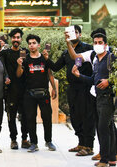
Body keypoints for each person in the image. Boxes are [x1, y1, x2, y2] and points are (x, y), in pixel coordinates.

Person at [44, 25, 96, 156]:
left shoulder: (88, 49)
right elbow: (56, 67)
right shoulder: (67, 51)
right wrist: (46, 59)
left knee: (87, 116)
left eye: (75, 32)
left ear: (80, 34)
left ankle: (89, 146)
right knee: (75, 116)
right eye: (69, 33)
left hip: (86, 88)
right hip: (72, 88)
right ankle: (81, 143)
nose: (72, 35)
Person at [70, 29, 116, 167]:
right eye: (95, 42)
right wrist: (77, 72)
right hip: (97, 96)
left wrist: (109, 81)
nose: (97, 44)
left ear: (106, 44)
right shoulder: (94, 57)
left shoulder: (111, 57)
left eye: (100, 42)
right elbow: (78, 58)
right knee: (106, 128)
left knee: (104, 128)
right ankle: (111, 157)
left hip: (108, 97)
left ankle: (105, 159)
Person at [16, 34, 57, 152]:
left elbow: (50, 73)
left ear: (38, 45)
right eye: (29, 43)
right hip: (29, 94)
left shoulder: (44, 58)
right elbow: (18, 75)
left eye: (34, 43)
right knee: (30, 118)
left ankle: (48, 141)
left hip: (43, 93)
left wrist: (54, 88)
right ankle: (33, 142)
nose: (31, 45)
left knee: (47, 117)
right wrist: (19, 65)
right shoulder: (25, 59)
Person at [0, 28, 30, 149]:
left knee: (25, 116)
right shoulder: (5, 53)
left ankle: (24, 139)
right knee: (11, 117)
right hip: (11, 90)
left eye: (18, 37)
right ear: (11, 39)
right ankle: (13, 139)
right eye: (14, 37)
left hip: (25, 90)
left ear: (21, 39)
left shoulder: (26, 52)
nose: (16, 39)